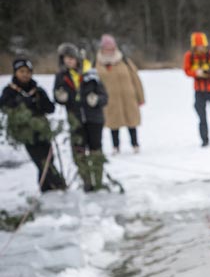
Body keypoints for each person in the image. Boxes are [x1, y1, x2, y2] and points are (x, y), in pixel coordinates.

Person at [0, 57, 66, 192]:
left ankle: (46, 188)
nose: (25, 74)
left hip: (42, 130)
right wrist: (20, 104)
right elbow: (4, 107)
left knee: (49, 158)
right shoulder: (10, 91)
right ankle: (59, 185)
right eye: (22, 71)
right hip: (27, 133)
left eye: (28, 72)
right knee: (42, 161)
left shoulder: (37, 90)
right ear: (15, 73)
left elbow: (50, 108)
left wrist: (41, 103)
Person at [53, 42, 108, 192]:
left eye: (71, 57)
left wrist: (96, 100)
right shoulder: (61, 76)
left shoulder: (91, 73)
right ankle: (87, 182)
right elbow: (56, 96)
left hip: (94, 119)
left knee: (96, 150)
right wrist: (60, 97)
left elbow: (105, 97)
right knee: (78, 151)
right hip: (75, 120)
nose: (68, 61)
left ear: (77, 58)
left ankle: (98, 181)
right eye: (65, 58)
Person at [96, 34, 144, 155]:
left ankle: (135, 144)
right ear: (102, 49)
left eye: (112, 48)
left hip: (128, 97)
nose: (110, 51)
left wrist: (140, 97)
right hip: (110, 99)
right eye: (107, 48)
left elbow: (136, 79)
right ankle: (115, 146)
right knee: (113, 123)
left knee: (131, 121)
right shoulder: (97, 64)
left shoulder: (124, 61)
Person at [183, 31, 210, 147]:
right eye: (197, 47)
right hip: (199, 91)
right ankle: (204, 140)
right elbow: (187, 71)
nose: (200, 49)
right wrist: (196, 73)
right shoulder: (189, 56)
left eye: (202, 46)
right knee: (202, 117)